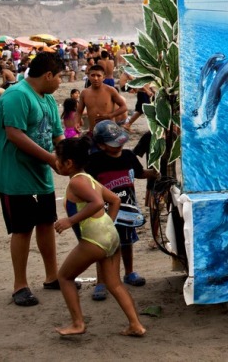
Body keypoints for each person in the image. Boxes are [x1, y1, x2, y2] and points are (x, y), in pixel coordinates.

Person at [52, 137, 146, 337]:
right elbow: (113, 200)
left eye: (57, 158)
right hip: (110, 236)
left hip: (94, 239)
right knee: (115, 283)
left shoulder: (77, 182)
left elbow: (95, 203)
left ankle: (78, 323)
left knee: (64, 277)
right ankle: (135, 324)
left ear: (68, 163)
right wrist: (108, 225)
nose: (55, 162)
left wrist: (70, 221)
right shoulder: (89, 179)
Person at [0, 52, 65, 307]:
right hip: (16, 175)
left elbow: (58, 136)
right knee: (22, 229)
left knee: (46, 222)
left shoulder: (47, 99)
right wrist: (50, 159)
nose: (60, 82)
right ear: (48, 75)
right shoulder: (17, 95)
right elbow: (14, 134)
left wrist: (69, 159)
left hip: (41, 174)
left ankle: (52, 276)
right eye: (59, 77)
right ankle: (20, 285)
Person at [86, 121, 159, 300]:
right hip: (104, 213)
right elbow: (87, 183)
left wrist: (154, 172)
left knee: (127, 242)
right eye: (113, 144)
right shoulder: (94, 161)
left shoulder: (128, 156)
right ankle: (101, 281)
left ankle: (129, 272)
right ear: (101, 145)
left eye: (120, 142)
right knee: (104, 246)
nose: (119, 146)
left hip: (128, 211)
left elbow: (139, 172)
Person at [77, 64, 128, 132]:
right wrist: (76, 123)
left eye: (98, 75)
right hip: (93, 131)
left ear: (103, 77)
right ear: (88, 76)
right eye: (93, 75)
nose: (95, 78)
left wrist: (110, 115)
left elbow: (124, 107)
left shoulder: (110, 90)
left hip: (109, 130)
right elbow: (79, 111)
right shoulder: (84, 93)